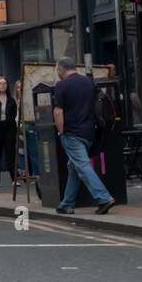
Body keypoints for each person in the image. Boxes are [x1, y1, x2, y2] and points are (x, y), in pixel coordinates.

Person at [52, 56, 115, 215]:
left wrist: (60, 131)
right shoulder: (88, 82)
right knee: (74, 166)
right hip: (89, 132)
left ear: (61, 69)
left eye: (57, 70)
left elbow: (58, 112)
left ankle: (103, 197)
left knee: (83, 166)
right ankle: (67, 203)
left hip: (71, 133)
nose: (57, 73)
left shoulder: (61, 86)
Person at [0, 76, 18, 187]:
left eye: (5, 83)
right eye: (0, 83)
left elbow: (14, 114)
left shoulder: (11, 100)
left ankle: (14, 178)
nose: (3, 85)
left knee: (11, 153)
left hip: (9, 127)